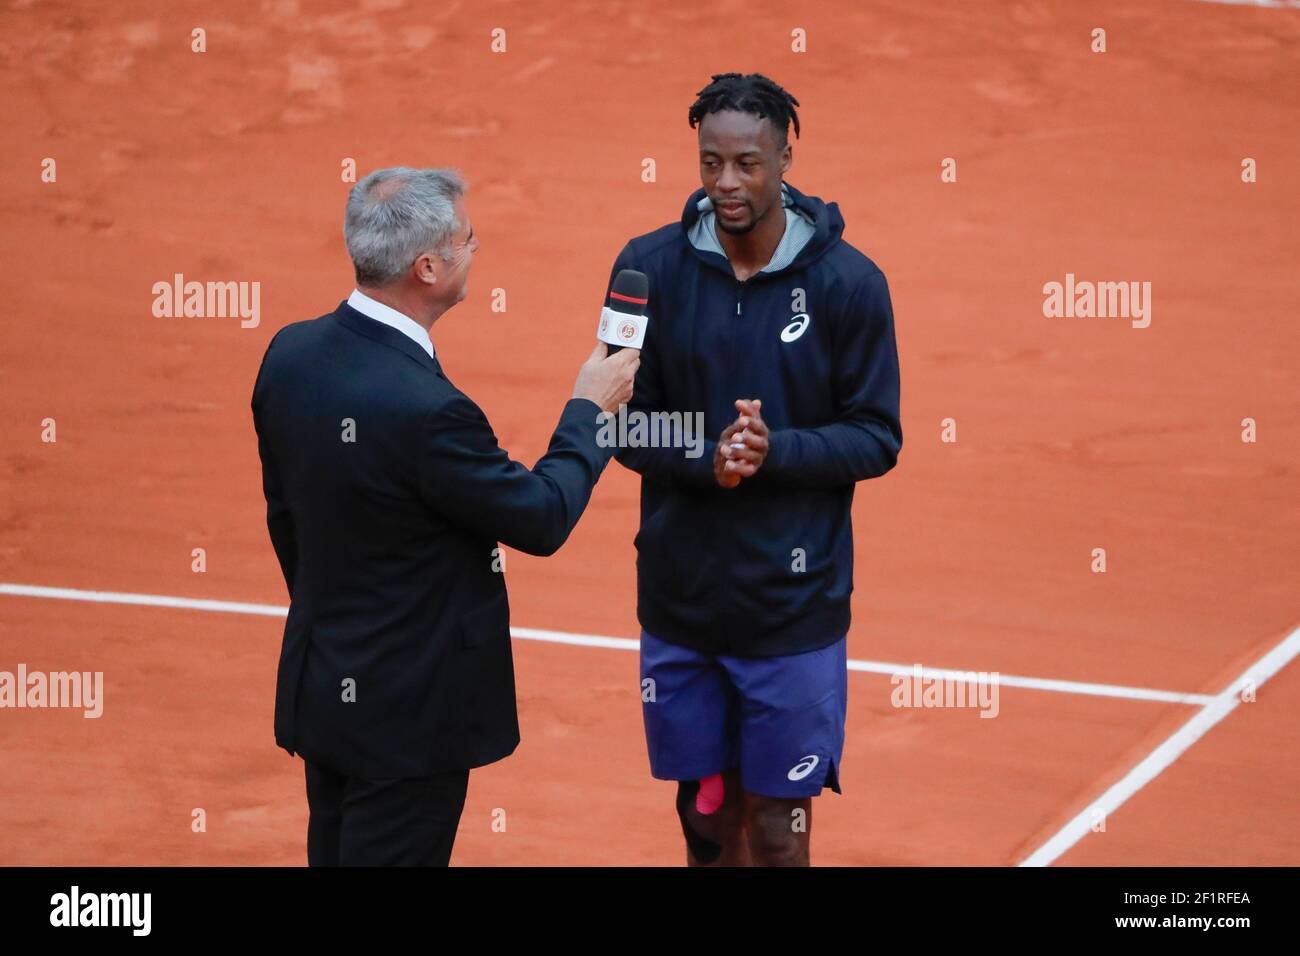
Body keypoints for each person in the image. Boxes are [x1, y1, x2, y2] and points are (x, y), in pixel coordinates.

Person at [252, 166, 638, 866]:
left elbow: (288, 521)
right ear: (428, 267)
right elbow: (540, 516)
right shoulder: (429, 414)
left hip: (327, 688)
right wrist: (592, 412)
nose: (476, 248)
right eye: (468, 239)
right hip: (409, 719)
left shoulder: (290, 356)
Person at [605, 73, 903, 865]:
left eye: (747, 164)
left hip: (792, 607)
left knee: (778, 831)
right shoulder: (643, 271)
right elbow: (618, 418)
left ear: (785, 158)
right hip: (682, 600)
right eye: (710, 164)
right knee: (706, 821)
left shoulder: (851, 286)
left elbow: (876, 435)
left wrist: (777, 452)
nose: (727, 184)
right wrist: (708, 458)